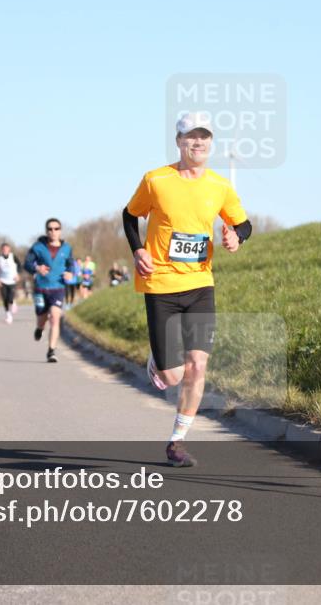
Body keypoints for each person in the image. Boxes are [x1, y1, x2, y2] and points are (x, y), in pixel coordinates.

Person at [122, 112, 252, 467]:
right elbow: (130, 215)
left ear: (211, 143)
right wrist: (138, 250)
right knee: (172, 376)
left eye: (204, 137)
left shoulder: (220, 186)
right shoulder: (156, 180)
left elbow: (243, 223)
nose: (197, 142)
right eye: (190, 137)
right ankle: (158, 362)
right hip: (161, 284)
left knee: (197, 366)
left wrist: (234, 236)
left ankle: (177, 442)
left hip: (199, 285)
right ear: (178, 142)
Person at [24, 218, 74, 363]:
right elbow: (26, 263)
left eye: (56, 228)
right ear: (46, 231)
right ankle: (39, 328)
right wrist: (36, 268)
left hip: (58, 288)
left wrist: (70, 273)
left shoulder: (67, 248)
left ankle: (51, 351)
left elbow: (70, 264)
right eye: (50, 229)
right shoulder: (38, 247)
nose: (53, 231)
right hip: (41, 288)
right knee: (42, 318)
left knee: (55, 317)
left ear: (60, 230)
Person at [0, 243, 21, 324]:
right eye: (3, 249)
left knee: (10, 298)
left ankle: (13, 303)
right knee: (5, 299)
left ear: (9, 250)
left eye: (6, 249)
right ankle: (8, 316)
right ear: (1, 250)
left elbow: (19, 265)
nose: (5, 250)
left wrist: (18, 274)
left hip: (12, 280)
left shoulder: (13, 256)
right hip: (3, 281)